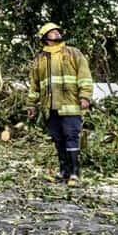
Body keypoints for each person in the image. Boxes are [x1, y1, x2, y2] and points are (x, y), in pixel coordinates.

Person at [27, 22, 93, 186]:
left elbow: (85, 76)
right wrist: (31, 105)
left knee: (71, 137)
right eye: (52, 32)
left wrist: (85, 96)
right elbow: (35, 84)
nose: (57, 33)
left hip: (70, 105)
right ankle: (64, 172)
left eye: (57, 31)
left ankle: (74, 174)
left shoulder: (73, 53)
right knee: (58, 139)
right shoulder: (39, 59)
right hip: (50, 107)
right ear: (44, 37)